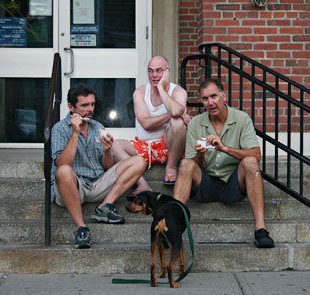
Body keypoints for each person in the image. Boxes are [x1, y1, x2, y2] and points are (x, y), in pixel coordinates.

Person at [173, 79, 275, 248]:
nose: (210, 102)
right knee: (185, 164)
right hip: (206, 183)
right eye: (205, 99)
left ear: (223, 96)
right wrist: (199, 155)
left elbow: (256, 155)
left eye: (214, 96)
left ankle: (261, 229)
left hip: (232, 184)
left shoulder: (241, 118)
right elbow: (193, 166)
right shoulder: (196, 123)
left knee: (250, 162)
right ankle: (174, 228)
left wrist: (224, 148)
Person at [51, 83, 147, 249]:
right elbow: (62, 163)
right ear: (71, 107)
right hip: (74, 187)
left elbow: (105, 167)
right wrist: (75, 133)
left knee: (139, 161)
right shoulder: (59, 129)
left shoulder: (97, 127)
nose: (90, 109)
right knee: (64, 171)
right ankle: (81, 228)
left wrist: (108, 152)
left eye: (92, 104)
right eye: (84, 105)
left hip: (97, 184)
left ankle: (105, 206)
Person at [112, 56, 190, 195]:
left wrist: (161, 88)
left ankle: (171, 167)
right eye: (150, 71)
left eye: (159, 71)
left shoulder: (178, 91)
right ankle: (142, 184)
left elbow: (177, 110)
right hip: (145, 148)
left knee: (177, 123)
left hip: (169, 147)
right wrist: (171, 115)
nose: (154, 75)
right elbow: (146, 124)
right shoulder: (140, 93)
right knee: (115, 145)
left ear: (167, 72)